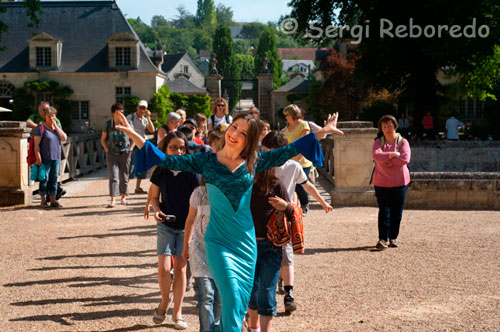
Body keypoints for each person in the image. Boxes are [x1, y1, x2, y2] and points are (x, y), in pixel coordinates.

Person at [115, 110, 343, 332]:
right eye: (234, 127)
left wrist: (323, 132)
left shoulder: (255, 161)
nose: (234, 133)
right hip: (218, 243)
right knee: (233, 297)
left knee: (238, 304)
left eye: (243, 133)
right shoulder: (207, 161)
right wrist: (136, 136)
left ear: (250, 139)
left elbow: (290, 150)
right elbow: (166, 159)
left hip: (246, 244)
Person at [262, 130, 333, 313]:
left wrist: (323, 202)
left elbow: (307, 185)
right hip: (264, 213)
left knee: (286, 253)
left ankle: (289, 294)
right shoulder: (262, 166)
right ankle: (275, 282)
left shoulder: (293, 166)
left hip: (285, 213)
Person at [149, 131, 200, 330]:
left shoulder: (192, 172)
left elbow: (197, 202)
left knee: (180, 269)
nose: (178, 152)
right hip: (166, 224)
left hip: (187, 226)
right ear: (165, 149)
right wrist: (156, 211)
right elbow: (154, 196)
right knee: (163, 268)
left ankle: (177, 312)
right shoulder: (160, 170)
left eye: (181, 148)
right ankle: (164, 301)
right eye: (173, 148)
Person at [247, 159, 293, 332]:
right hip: (249, 245)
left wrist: (285, 206)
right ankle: (254, 327)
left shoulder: (276, 185)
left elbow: (292, 211)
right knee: (252, 289)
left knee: (266, 290)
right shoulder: (244, 185)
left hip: (272, 245)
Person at [183, 178, 222, 332]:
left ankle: (217, 326)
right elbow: (190, 220)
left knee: (219, 296)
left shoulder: (227, 195)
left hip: (221, 252)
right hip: (200, 250)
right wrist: (186, 245)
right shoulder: (197, 194)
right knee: (206, 294)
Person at [372, 115, 411, 250]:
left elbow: (405, 159)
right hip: (381, 182)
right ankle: (382, 239)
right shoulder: (378, 142)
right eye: (384, 126)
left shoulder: (403, 142)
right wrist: (391, 155)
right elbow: (375, 156)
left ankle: (393, 237)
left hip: (400, 182)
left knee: (397, 211)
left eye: (389, 126)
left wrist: (385, 161)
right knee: (384, 211)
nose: (387, 129)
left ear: (395, 127)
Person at [27, 101, 66, 200]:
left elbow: (64, 138)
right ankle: (43, 200)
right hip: (45, 157)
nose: (51, 118)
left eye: (53, 116)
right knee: (44, 179)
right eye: (49, 116)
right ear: (45, 117)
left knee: (54, 179)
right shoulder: (40, 128)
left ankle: (53, 200)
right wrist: (38, 156)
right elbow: (36, 144)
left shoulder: (56, 126)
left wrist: (55, 126)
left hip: (55, 157)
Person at [282, 104, 313, 215]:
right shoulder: (287, 126)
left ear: (293, 115)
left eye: (287, 115)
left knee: (300, 184)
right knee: (290, 185)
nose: (285, 117)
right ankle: (293, 206)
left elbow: (305, 144)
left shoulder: (303, 125)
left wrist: (298, 160)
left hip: (303, 162)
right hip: (289, 161)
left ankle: (305, 204)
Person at [100, 102, 132, 208]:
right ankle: (113, 198)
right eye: (119, 112)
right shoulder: (108, 124)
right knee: (113, 176)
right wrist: (107, 150)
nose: (121, 114)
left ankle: (124, 197)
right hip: (112, 154)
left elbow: (133, 137)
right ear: (113, 113)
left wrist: (130, 149)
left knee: (124, 176)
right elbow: (103, 139)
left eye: (122, 111)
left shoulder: (128, 123)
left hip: (125, 153)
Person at [127, 100, 155, 194]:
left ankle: (137, 187)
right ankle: (125, 188)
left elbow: (152, 130)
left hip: (142, 144)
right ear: (137, 107)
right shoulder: (130, 117)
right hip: (132, 143)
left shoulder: (145, 119)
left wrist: (149, 117)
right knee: (130, 165)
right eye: (141, 107)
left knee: (141, 166)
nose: (142, 110)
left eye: (144, 108)